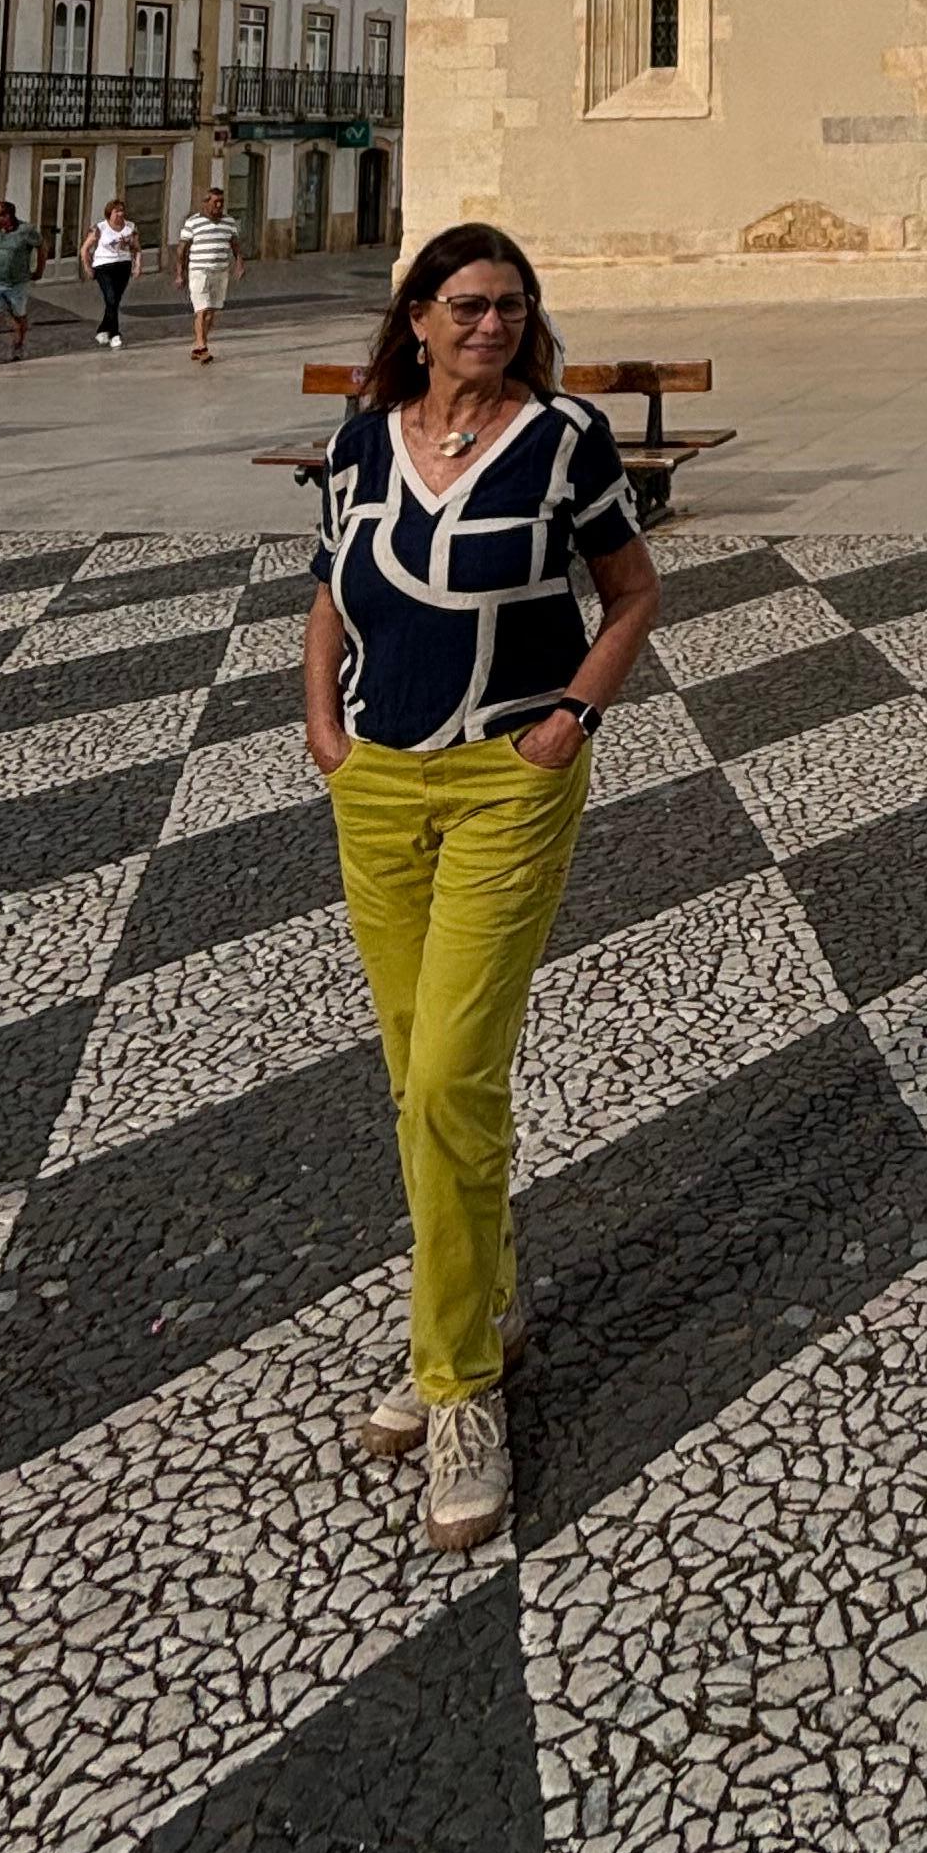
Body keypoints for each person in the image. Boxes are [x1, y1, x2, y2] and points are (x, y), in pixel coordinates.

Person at [303, 222, 659, 1552]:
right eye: (467, 305)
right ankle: (487, 1290)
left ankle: (453, 1382)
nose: (490, 325)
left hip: (514, 774)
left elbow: (632, 592)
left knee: (451, 1071)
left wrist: (571, 716)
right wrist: (323, 730)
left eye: (512, 306)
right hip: (380, 780)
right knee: (419, 1075)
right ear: (418, 315)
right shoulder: (362, 437)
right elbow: (331, 585)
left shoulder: (563, 439)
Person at [175, 185, 240, 363]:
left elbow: (235, 244)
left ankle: (199, 344)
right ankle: (203, 346)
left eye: (221, 202)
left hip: (220, 271)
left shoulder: (229, 222)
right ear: (206, 203)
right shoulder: (193, 222)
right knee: (201, 309)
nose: (219, 206)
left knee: (212, 311)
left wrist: (239, 263)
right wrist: (180, 273)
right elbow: (182, 249)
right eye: (215, 202)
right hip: (199, 270)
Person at [0, 203, 38, 363]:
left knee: (18, 315)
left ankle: (18, 347)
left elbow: (42, 247)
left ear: (7, 216)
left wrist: (39, 270)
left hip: (16, 281)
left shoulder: (26, 230)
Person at [84, 197, 142, 348]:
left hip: (123, 265)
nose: (120, 214)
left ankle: (103, 329)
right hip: (104, 266)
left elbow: (136, 248)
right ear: (110, 213)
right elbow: (84, 249)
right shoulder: (100, 228)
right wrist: (88, 268)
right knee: (110, 297)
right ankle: (115, 334)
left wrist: (137, 266)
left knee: (115, 300)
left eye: (122, 211)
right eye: (117, 211)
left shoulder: (130, 227)